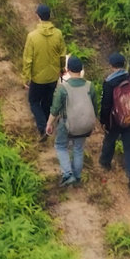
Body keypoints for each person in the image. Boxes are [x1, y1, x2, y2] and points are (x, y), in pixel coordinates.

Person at [46, 56, 97, 187]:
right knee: (78, 149)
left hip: (68, 124)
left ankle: (68, 174)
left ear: (67, 70)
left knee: (60, 146)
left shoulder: (63, 88)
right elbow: (95, 107)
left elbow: (55, 109)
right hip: (85, 123)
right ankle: (77, 176)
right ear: (81, 70)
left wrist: (49, 124)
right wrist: (94, 122)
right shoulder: (90, 86)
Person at [99, 52, 130, 190]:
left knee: (110, 140)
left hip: (115, 120)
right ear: (123, 64)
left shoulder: (109, 83)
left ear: (111, 65)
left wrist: (104, 121)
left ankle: (105, 163)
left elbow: (106, 105)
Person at [22, 4, 66, 141]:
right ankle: (50, 125)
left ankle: (42, 128)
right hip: (53, 76)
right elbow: (62, 54)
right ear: (50, 16)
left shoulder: (32, 36)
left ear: (38, 17)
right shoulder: (58, 34)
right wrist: (62, 68)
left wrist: (26, 77)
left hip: (38, 78)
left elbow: (28, 59)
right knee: (47, 102)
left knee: (34, 101)